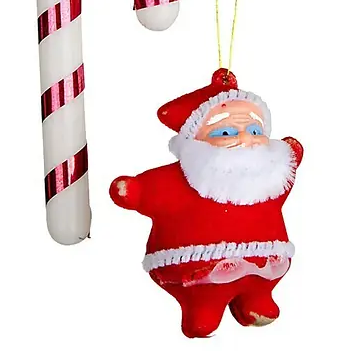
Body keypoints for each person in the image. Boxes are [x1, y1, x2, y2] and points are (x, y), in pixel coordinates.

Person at [110, 69, 304, 338]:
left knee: (261, 283)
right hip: (197, 269)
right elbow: (151, 191)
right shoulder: (181, 178)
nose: (246, 139)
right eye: (226, 131)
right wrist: (135, 191)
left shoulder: (269, 177)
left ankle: (257, 299)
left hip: (266, 263)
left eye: (255, 130)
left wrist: (290, 157)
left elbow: (284, 175)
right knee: (204, 298)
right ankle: (202, 310)